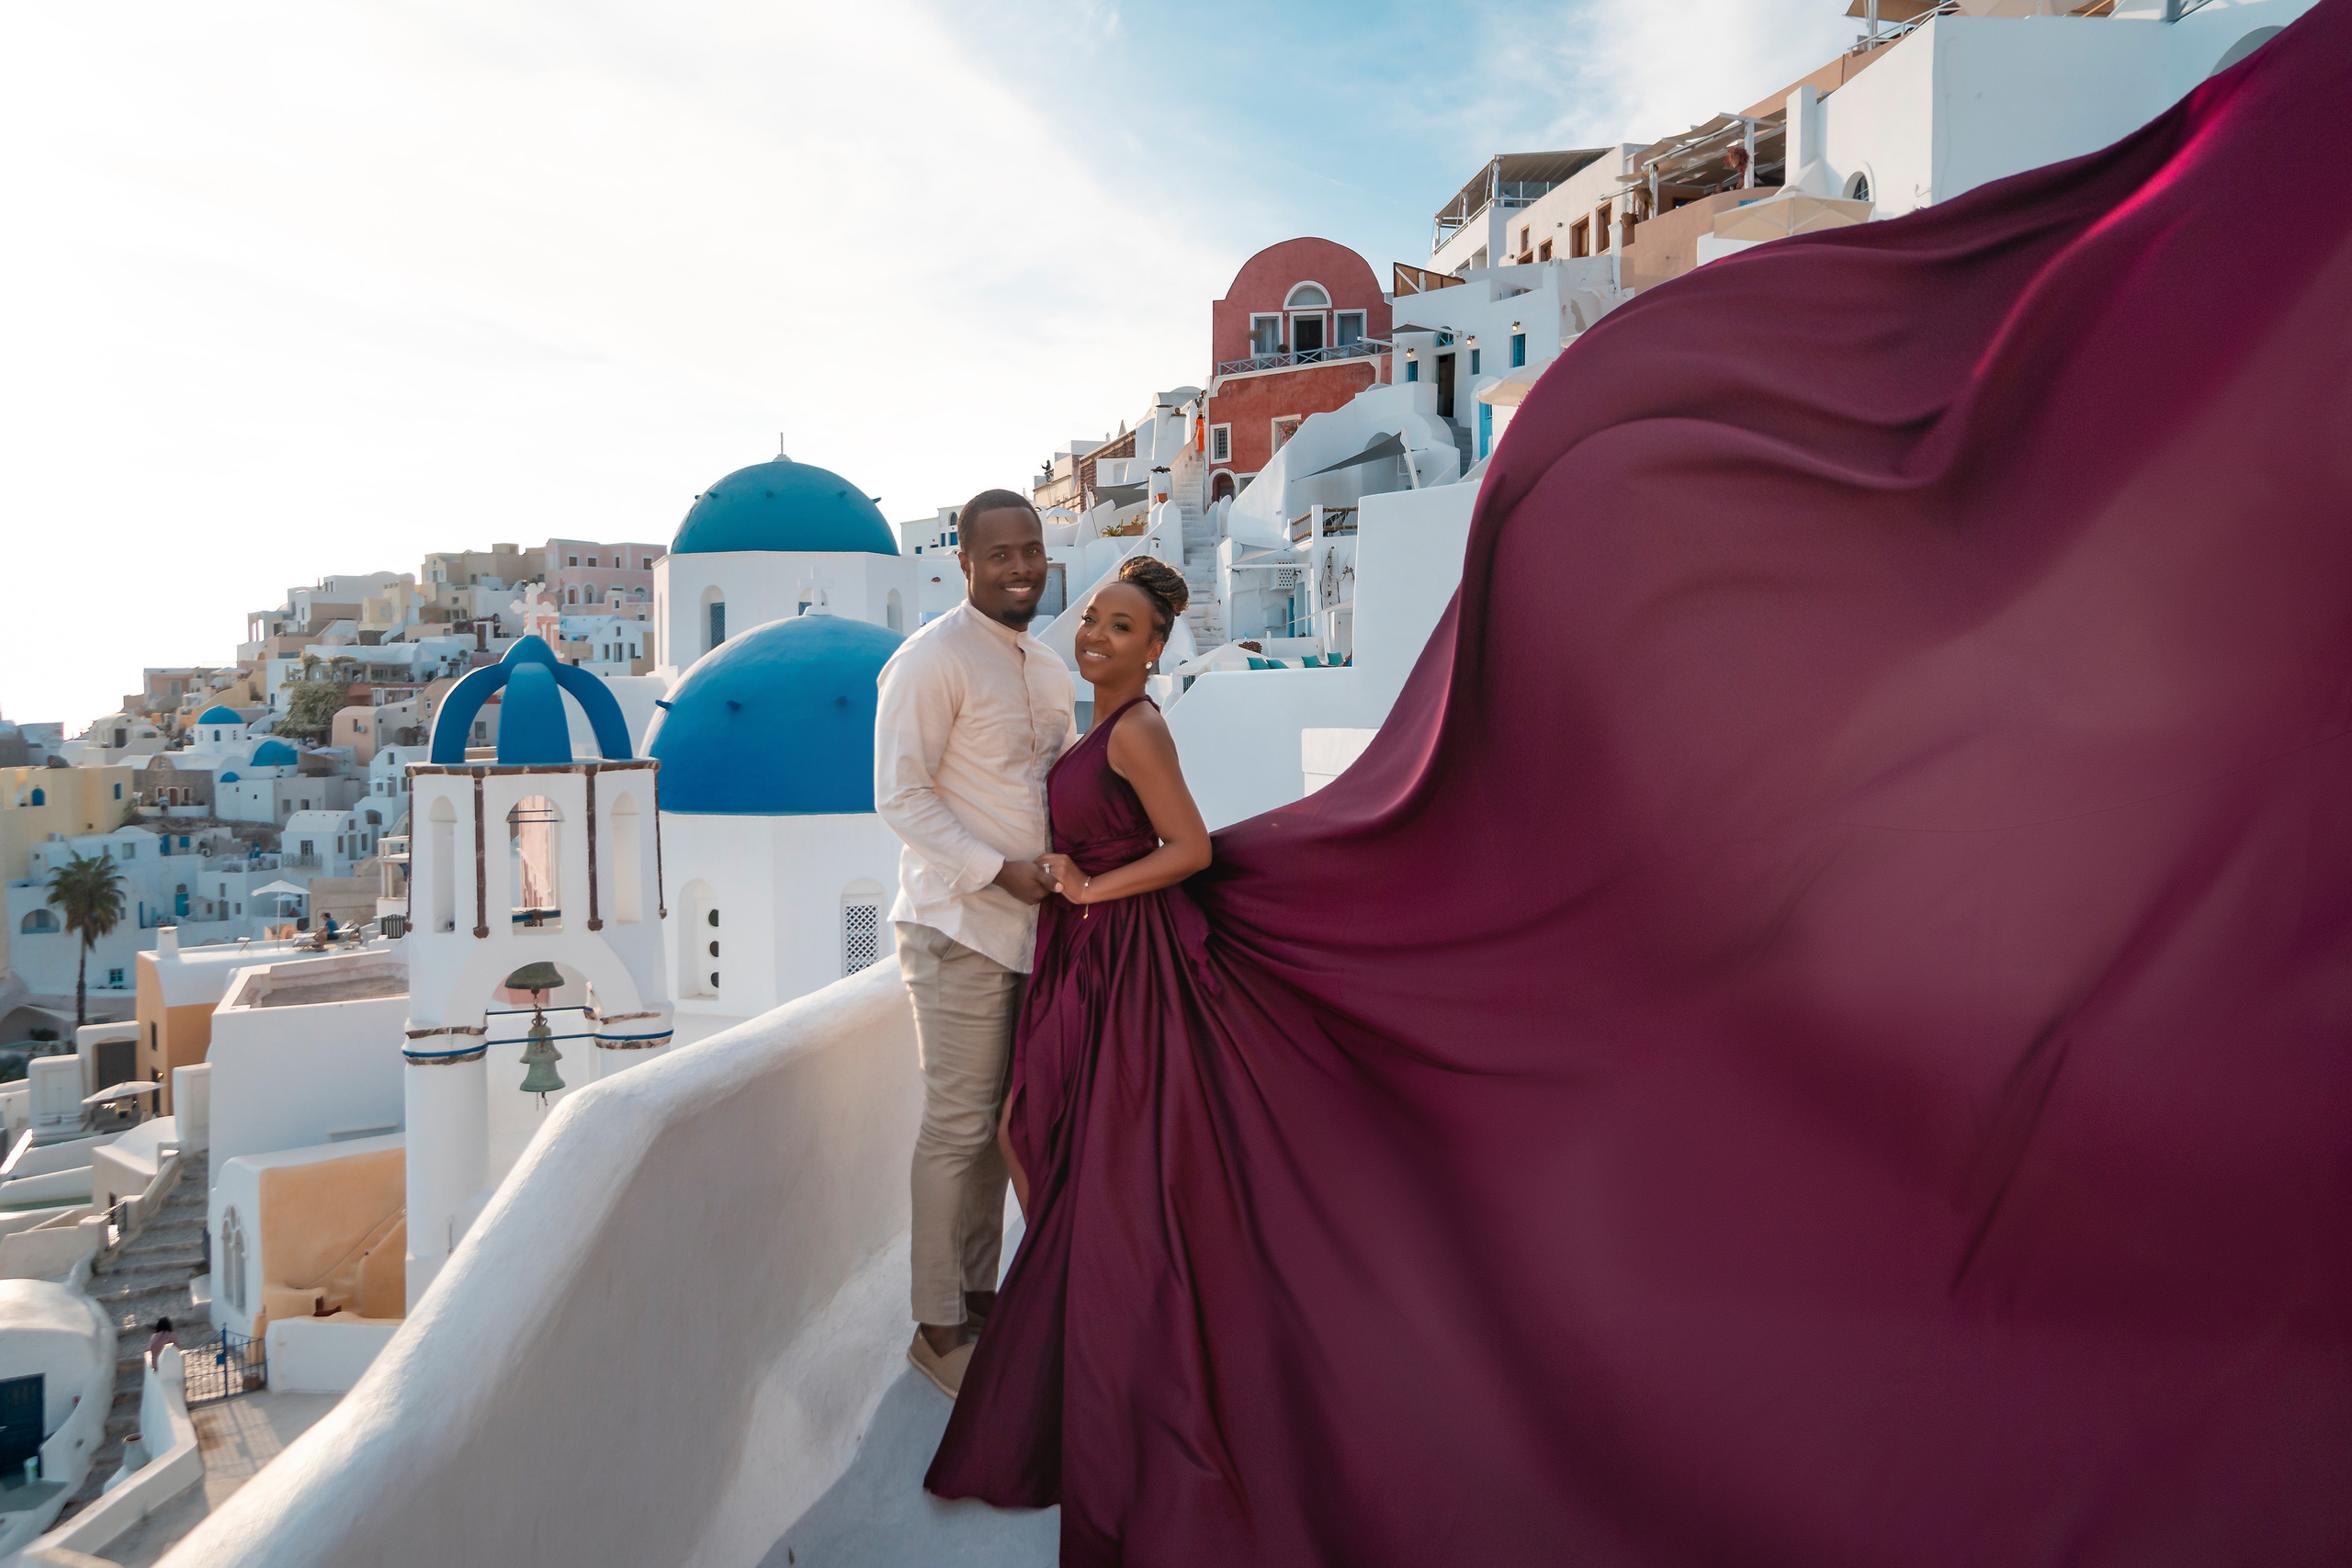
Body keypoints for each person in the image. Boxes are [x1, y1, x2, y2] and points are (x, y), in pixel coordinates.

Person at [927, 554, 1211, 1511]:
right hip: (1078, 954)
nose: (1096, 635)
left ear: (1157, 648)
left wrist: (1090, 886)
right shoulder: (1093, 724)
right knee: (1033, 1127)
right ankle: (1082, 1312)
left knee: (1034, 1128)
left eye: (1122, 627)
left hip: (1124, 957)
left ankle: (1082, 1321)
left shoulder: (1137, 731)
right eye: (1092, 617)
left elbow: (1192, 848)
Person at [875, 488, 1074, 1399]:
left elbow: (1055, 786)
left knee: (1001, 1135)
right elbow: (900, 796)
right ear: (964, 562)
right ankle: (935, 1327)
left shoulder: (1044, 666)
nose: (1021, 566)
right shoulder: (930, 661)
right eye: (1000, 554)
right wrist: (998, 870)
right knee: (956, 1131)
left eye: (1030, 549)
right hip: (957, 927)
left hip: (1034, 934)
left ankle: (982, 1302)